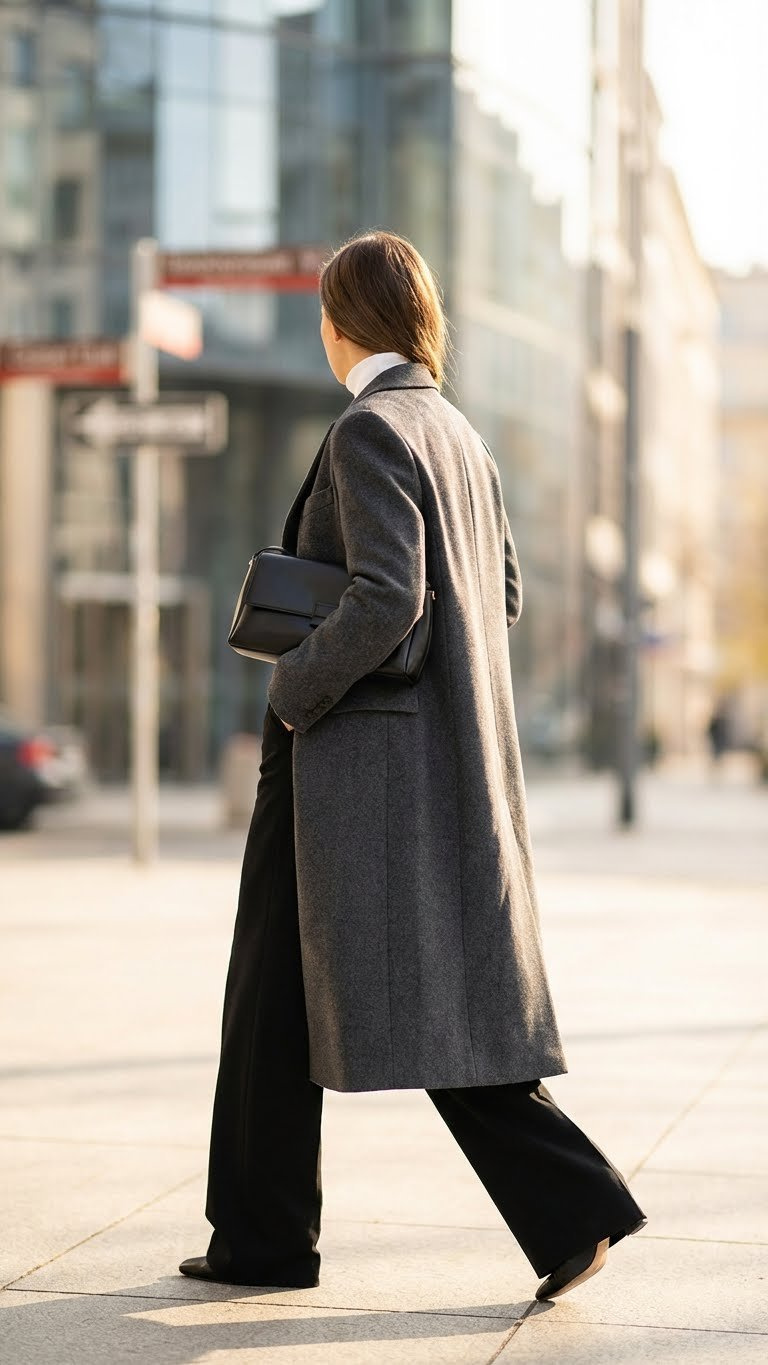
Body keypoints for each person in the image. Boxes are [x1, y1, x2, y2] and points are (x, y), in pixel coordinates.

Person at [179, 229, 648, 1302]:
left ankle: (573, 1204)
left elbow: (390, 595)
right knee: (289, 994)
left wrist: (294, 690)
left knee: (365, 992)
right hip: (425, 757)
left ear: (343, 323)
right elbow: (502, 595)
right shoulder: (458, 434)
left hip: (350, 762)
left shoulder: (370, 429)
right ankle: (261, 1237)